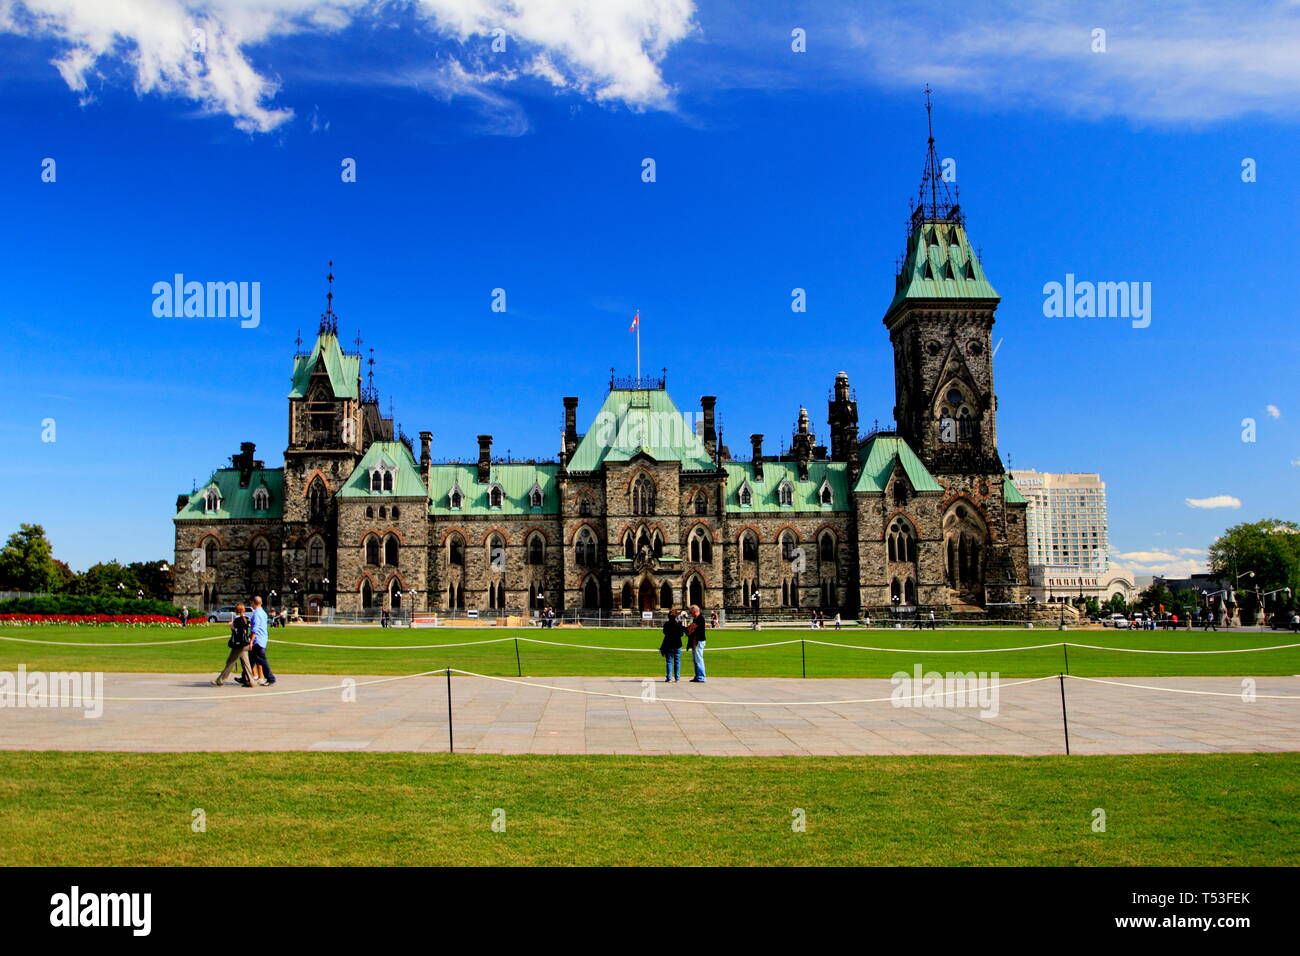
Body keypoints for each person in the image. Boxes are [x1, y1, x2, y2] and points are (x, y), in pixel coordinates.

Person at [211, 604, 253, 686]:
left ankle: (220, 680)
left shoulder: (237, 620)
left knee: (230, 662)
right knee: (246, 663)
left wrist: (231, 626)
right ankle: (251, 681)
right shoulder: (247, 619)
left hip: (239, 645)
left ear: (236, 611)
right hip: (245, 643)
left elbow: (237, 631)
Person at [247, 596, 276, 686]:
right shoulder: (263, 613)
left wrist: (251, 640)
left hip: (257, 640)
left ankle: (270, 678)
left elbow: (255, 629)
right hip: (263, 638)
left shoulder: (256, 614)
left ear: (253, 603)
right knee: (251, 659)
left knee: (262, 660)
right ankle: (245, 677)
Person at [660, 607, 684, 682]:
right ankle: (677, 678)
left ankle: (669, 677)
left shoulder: (666, 624)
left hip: (668, 644)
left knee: (669, 661)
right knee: (677, 661)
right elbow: (681, 634)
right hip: (677, 644)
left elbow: (664, 632)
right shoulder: (678, 624)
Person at [686, 603, 707, 682]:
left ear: (695, 611)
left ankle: (701, 677)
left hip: (698, 641)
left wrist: (695, 641)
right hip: (696, 641)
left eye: (691, 612)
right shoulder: (696, 619)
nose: (690, 614)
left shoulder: (700, 619)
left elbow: (698, 632)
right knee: (696, 660)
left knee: (699, 659)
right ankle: (698, 676)